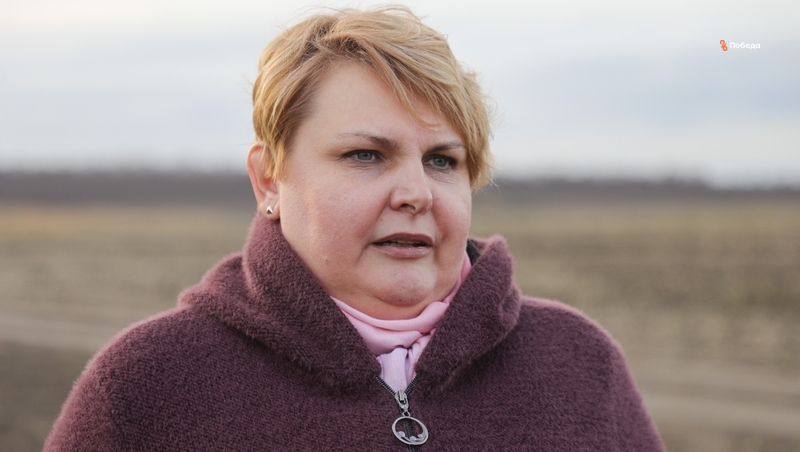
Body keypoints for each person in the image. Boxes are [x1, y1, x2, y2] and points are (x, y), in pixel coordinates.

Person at [45, 6, 664, 451]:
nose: (416, 193)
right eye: (366, 155)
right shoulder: (146, 387)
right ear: (269, 180)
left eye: (442, 160)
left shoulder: (579, 364)